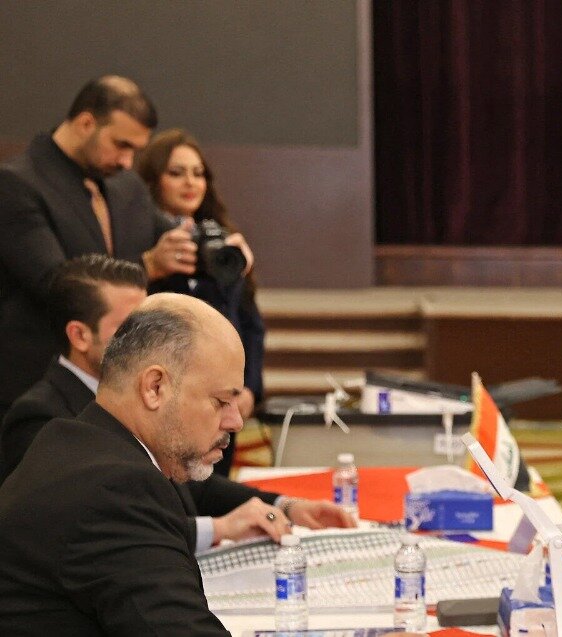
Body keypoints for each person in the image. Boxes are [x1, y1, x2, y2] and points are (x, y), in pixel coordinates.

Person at [0, 255, 352, 549]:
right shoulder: (40, 415)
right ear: (78, 334)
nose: (147, 337)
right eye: (128, 326)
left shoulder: (145, 403)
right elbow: (101, 524)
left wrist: (283, 506)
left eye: (150, 321)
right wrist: (218, 529)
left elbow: (192, 485)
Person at [0, 293, 249, 633]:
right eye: (222, 401)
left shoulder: (75, 442)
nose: (235, 421)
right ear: (155, 387)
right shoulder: (117, 488)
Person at [0, 76, 199, 420]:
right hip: (36, 392)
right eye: (121, 144)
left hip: (117, 391)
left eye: (135, 150)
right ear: (86, 122)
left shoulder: (127, 186)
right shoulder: (17, 183)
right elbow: (56, 283)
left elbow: (174, 234)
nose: (127, 161)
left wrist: (216, 242)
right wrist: (147, 267)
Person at [135, 129, 262, 476]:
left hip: (222, 400)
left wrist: (249, 388)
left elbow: (250, 325)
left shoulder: (222, 240)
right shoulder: (137, 239)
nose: (190, 182)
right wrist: (151, 265)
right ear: (153, 180)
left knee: (217, 489)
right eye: (176, 173)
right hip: (164, 403)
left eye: (198, 172)